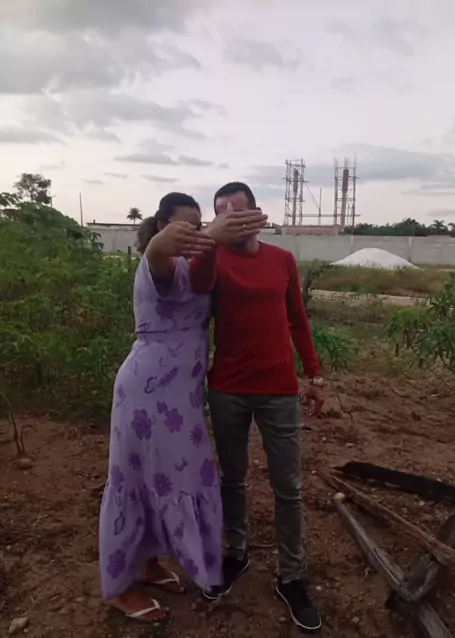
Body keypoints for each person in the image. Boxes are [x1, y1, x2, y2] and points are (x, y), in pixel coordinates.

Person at [99, 192, 267, 624]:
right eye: (186, 226)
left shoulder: (193, 267)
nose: (195, 233)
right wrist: (206, 236)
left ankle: (147, 564)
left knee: (167, 479)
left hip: (182, 397)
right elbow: (158, 252)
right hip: (147, 394)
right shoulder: (159, 262)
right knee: (135, 483)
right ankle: (119, 587)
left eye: (199, 224)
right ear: (162, 226)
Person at [189, 182, 326, 632]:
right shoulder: (214, 259)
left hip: (279, 389)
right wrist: (212, 240)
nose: (230, 217)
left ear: (257, 213)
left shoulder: (282, 259)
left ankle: (292, 576)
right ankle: (236, 554)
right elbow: (197, 283)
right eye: (221, 212)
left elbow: (298, 319)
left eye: (237, 210)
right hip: (228, 388)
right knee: (233, 479)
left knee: (288, 486)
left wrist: (315, 375)